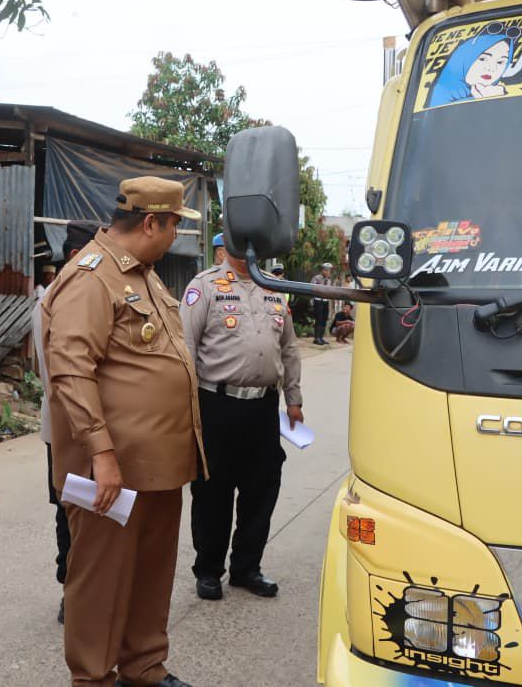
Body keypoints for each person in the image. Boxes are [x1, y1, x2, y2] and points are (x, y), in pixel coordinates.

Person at [42, 176, 205, 687]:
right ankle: (93, 677)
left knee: (151, 577)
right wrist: (102, 453)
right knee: (101, 584)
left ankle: (144, 669)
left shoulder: (144, 275)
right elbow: (70, 366)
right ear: (152, 221)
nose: (177, 234)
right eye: (176, 223)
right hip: (112, 470)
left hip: (157, 468)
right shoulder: (91, 277)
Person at [180, 247, 303, 601]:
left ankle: (247, 568)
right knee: (213, 490)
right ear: (224, 247)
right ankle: (208, 570)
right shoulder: (204, 287)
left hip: (264, 406)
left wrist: (293, 400)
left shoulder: (275, 289)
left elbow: (290, 348)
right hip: (216, 404)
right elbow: (185, 349)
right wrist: (184, 408)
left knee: (262, 488)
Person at [31, 220, 99, 625]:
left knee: (101, 510)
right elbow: (52, 372)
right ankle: (70, 589)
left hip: (97, 427)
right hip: (64, 426)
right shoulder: (53, 300)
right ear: (76, 257)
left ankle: (96, 585)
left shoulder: (92, 294)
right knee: (70, 509)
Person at [310, 262, 334, 345]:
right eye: (326, 270)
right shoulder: (316, 278)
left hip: (325, 301)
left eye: (329, 271)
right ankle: (316, 338)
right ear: (322, 270)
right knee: (319, 319)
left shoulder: (329, 280)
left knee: (324, 319)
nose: (327, 272)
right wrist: (312, 300)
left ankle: (321, 337)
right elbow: (311, 288)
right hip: (318, 301)